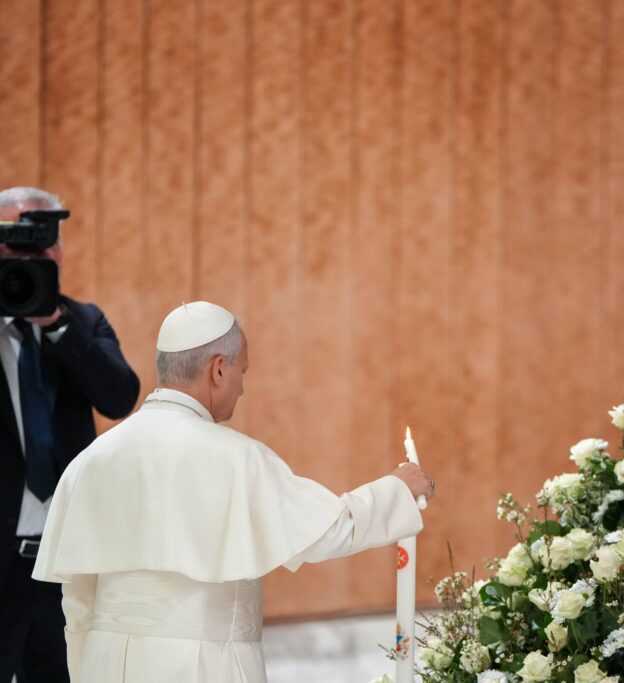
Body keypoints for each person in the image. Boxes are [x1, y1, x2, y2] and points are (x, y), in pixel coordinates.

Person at [32, 301, 434, 683]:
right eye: (243, 371)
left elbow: (79, 600)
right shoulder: (235, 457)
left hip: (106, 662)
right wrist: (397, 490)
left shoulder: (90, 460)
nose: (242, 387)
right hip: (202, 664)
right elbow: (328, 531)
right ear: (218, 370)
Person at [0, 187, 141, 683]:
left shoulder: (82, 320)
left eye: (44, 239)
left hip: (65, 561)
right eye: (17, 240)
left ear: (59, 248)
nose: (33, 254)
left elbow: (121, 397)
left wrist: (57, 326)